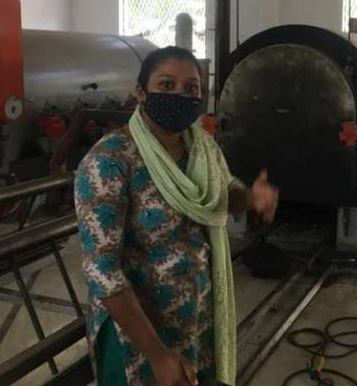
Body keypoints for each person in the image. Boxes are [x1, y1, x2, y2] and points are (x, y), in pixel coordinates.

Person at [75, 46, 279, 386]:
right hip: (137, 335)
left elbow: (223, 194)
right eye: (167, 85)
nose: (180, 96)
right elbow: (102, 271)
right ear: (141, 92)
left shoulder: (202, 147)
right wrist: (157, 354)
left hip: (195, 317)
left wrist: (251, 198)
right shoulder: (109, 162)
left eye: (191, 88)